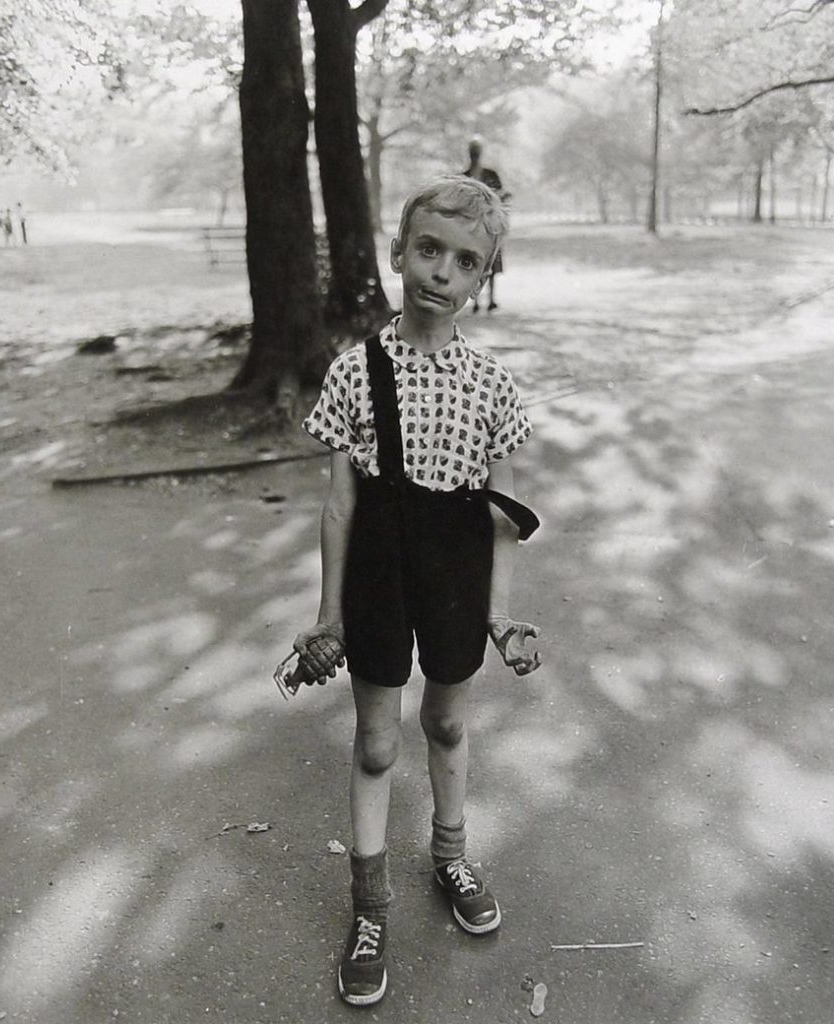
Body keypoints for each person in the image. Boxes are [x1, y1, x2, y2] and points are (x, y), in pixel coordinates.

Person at [285, 175, 542, 1008]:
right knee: (376, 744)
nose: (441, 271)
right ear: (399, 252)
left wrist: (501, 615)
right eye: (427, 249)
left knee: (446, 720)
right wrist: (329, 616)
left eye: (465, 261)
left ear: (483, 279)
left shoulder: (495, 388)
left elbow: (504, 515)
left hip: (458, 573)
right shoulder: (355, 372)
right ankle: (369, 908)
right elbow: (338, 505)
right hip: (378, 574)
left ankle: (451, 855)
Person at [463, 139, 511, 312]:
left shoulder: (490, 175)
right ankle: (475, 301)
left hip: (490, 226)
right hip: (471, 228)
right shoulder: (464, 176)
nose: (474, 154)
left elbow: (502, 196)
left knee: (491, 263)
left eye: (476, 151)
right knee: (474, 263)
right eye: (472, 151)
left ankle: (491, 299)